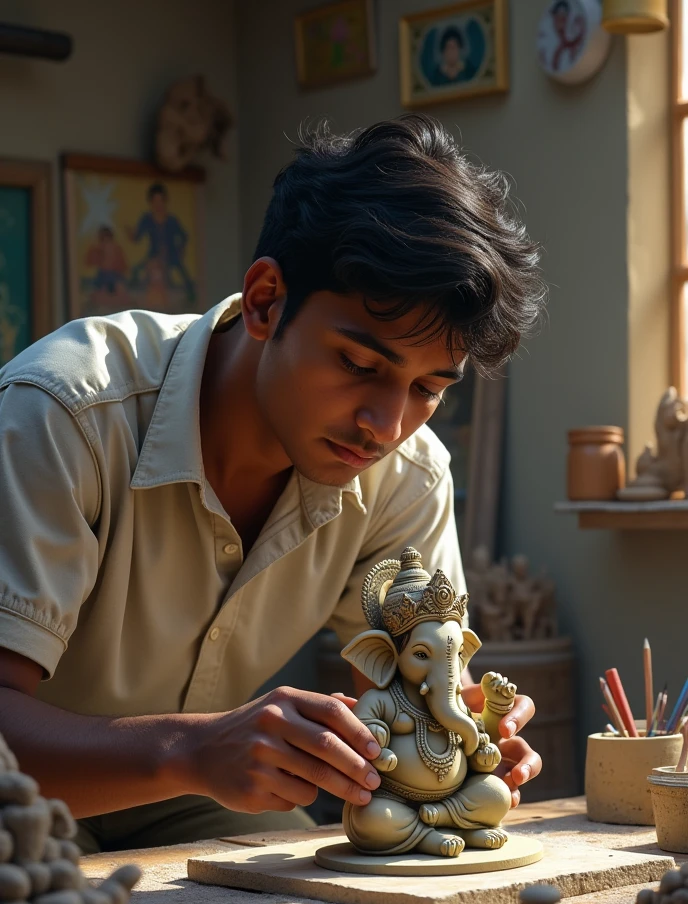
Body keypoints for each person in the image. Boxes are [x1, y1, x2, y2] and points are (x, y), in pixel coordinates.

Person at [0, 115, 546, 853]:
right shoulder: (64, 414)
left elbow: (403, 701)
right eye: (360, 365)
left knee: (316, 900)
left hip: (180, 797)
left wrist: (455, 734)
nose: (386, 425)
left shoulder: (407, 479)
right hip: (24, 794)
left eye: (428, 388)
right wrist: (192, 751)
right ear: (264, 302)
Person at [128, 183, 195, 302]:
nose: (158, 205)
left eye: (160, 201)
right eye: (155, 201)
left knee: (186, 281)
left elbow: (183, 237)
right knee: (136, 272)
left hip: (171, 254)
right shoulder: (147, 219)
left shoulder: (171, 220)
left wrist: (180, 251)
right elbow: (137, 236)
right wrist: (131, 234)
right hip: (153, 253)